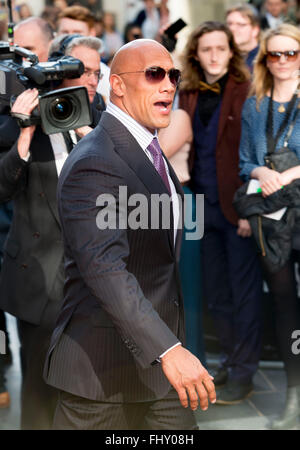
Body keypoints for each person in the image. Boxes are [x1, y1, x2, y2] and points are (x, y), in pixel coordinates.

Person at [44, 38, 216, 431]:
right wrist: (170, 350)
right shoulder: (96, 161)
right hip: (102, 374)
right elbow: (105, 269)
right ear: (117, 85)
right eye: (154, 74)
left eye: (173, 75)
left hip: (157, 368)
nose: (168, 85)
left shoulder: (148, 149)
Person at [0, 32, 104, 429]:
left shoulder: (103, 119)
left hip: (92, 279)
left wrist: (87, 141)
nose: (90, 81)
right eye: (81, 71)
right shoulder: (17, 120)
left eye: (96, 73)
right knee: (40, 390)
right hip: (38, 280)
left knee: (89, 384)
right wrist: (25, 133)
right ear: (57, 73)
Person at [179, 21, 263, 404]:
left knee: (244, 291)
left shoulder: (248, 91)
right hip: (200, 205)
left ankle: (245, 371)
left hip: (238, 208)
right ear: (195, 54)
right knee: (216, 293)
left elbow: (255, 156)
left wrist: (250, 209)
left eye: (221, 48)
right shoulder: (189, 92)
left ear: (232, 53)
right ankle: (229, 360)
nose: (214, 55)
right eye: (206, 48)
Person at [239, 23, 300, 430]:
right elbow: (245, 162)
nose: (281, 61)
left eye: (290, 53)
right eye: (273, 55)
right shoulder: (255, 104)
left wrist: (293, 173)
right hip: (272, 214)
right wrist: (261, 168)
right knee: (283, 304)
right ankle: (293, 393)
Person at [158, 109, 206, 364]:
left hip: (182, 201)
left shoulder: (179, 116)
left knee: (186, 291)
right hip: (144, 203)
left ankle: (196, 370)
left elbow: (157, 154)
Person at [56, 5, 111, 104]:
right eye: (65, 33)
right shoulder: (47, 72)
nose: (70, 39)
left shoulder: (107, 78)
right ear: (56, 35)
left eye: (77, 33)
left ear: (92, 34)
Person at [226, 3, 261, 72]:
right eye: (229, 24)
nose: (232, 29)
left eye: (240, 24)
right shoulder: (223, 58)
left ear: (255, 30)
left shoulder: (266, 59)